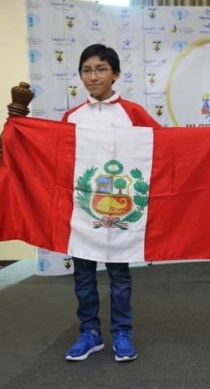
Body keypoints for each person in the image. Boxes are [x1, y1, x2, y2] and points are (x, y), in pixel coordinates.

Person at [63, 44, 161, 362]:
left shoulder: (132, 113)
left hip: (122, 211)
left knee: (119, 277)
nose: (93, 76)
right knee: (83, 277)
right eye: (87, 70)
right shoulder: (72, 117)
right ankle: (89, 333)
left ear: (115, 74)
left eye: (101, 69)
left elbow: (165, 148)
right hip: (83, 212)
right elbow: (56, 159)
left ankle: (122, 332)